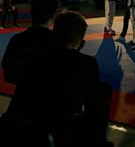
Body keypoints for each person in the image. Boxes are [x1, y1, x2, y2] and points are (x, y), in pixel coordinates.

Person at [3, 11, 113, 146]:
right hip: (58, 133)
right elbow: (93, 107)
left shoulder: (34, 59)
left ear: (53, 35)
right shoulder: (87, 64)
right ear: (82, 44)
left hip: (19, 130)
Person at [2, 0, 59, 84]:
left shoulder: (17, 41)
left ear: (31, 11)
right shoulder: (58, 42)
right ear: (53, 15)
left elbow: (9, 75)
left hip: (23, 94)